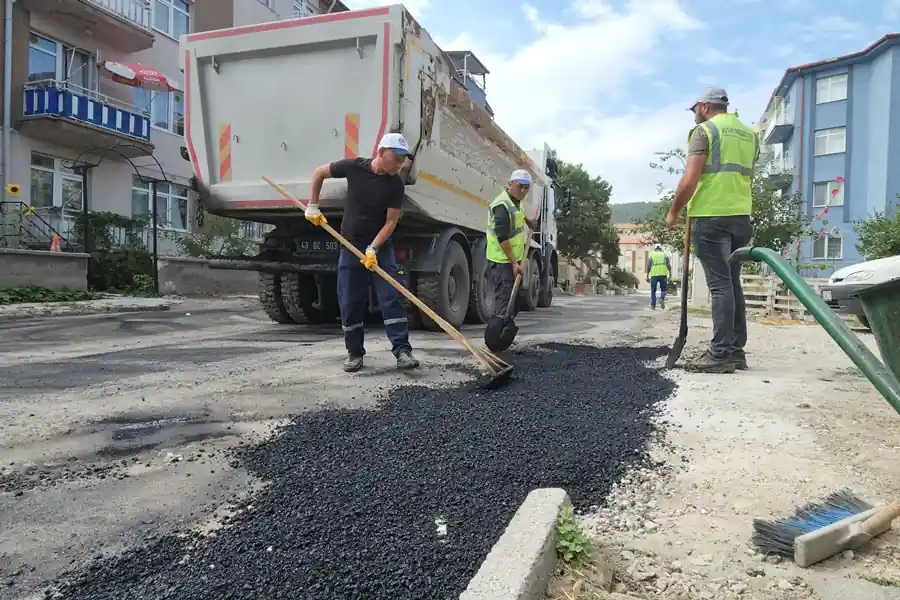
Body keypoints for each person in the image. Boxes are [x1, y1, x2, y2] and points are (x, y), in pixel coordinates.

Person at [305, 133, 420, 373]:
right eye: (396, 158)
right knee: (349, 299)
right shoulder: (354, 168)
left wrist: (373, 248)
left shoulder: (395, 184)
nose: (400, 164)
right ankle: (354, 353)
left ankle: (402, 351)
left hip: (380, 247)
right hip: (349, 246)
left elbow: (390, 223)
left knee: (391, 295)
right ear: (381, 152)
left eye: (403, 160)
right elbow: (319, 173)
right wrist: (312, 205)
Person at [666, 87, 759, 374]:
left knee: (720, 286)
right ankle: (735, 351)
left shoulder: (704, 131)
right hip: (741, 216)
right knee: (732, 284)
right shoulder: (750, 134)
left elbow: (691, 178)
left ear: (705, 107)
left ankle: (719, 355)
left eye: (695, 109)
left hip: (710, 215)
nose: (694, 114)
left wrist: (674, 211)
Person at [486, 169, 539, 319]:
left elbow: (516, 215)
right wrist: (515, 263)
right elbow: (502, 237)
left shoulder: (516, 201)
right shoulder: (501, 205)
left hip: (511, 260)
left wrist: (527, 220)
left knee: (513, 302)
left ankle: (506, 334)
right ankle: (497, 337)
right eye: (519, 186)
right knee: (504, 302)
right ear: (510, 184)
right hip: (502, 261)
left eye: (526, 187)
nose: (522, 190)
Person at [646, 244, 671, 310]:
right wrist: (670, 274)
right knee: (664, 289)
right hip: (663, 275)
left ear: (655, 248)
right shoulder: (664, 254)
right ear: (661, 248)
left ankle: (653, 305)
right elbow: (668, 265)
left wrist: (647, 276)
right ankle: (661, 298)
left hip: (654, 275)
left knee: (653, 290)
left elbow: (648, 266)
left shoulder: (652, 255)